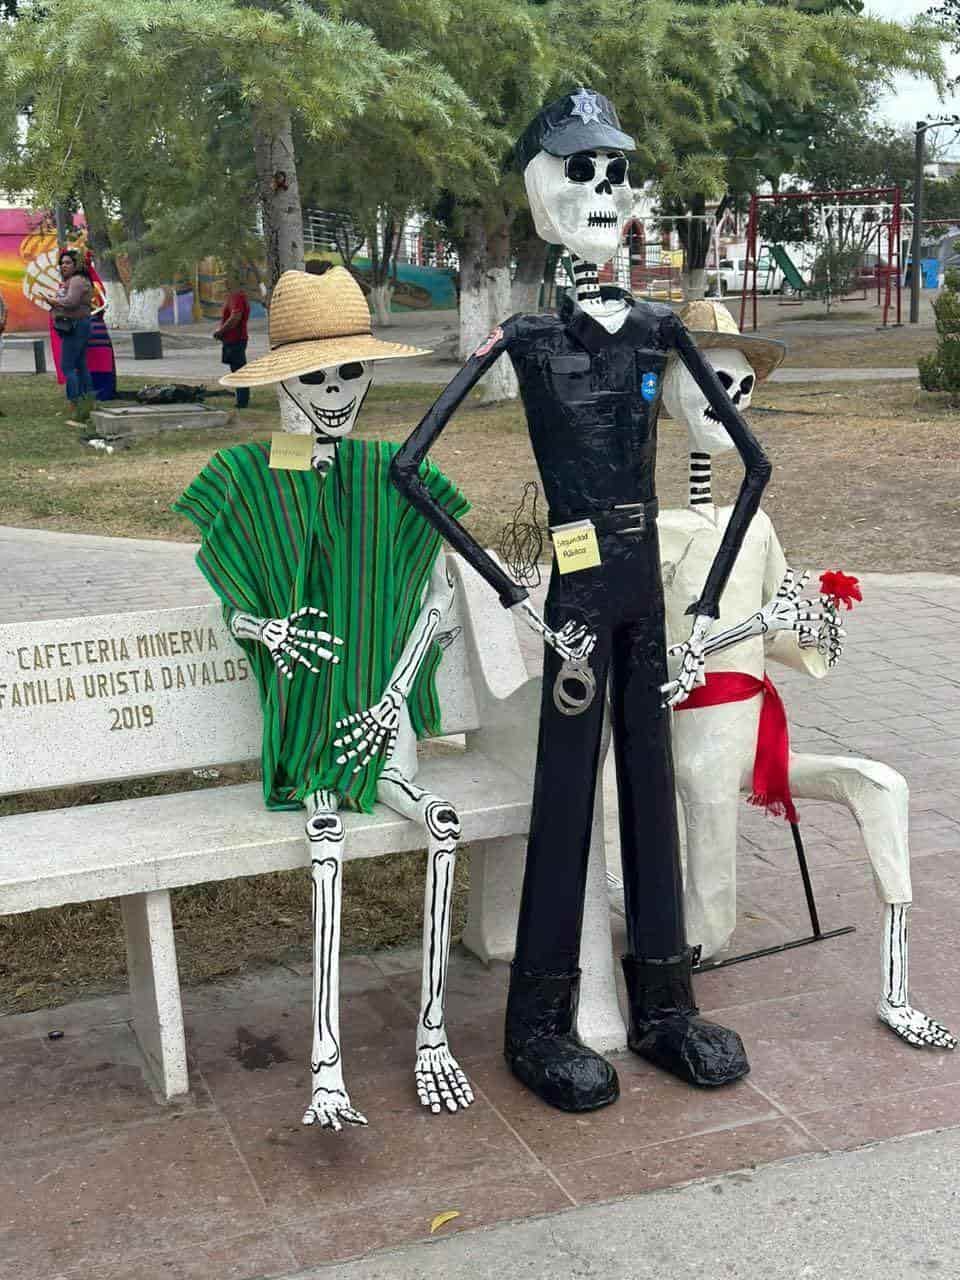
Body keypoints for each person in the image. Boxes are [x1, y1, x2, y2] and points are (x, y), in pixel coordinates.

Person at [392, 89, 769, 1113]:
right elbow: (411, 468)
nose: (603, 191)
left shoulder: (654, 328)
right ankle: (537, 1023)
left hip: (642, 589)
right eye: (580, 170)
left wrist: (709, 597)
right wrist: (512, 589)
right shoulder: (522, 336)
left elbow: (755, 459)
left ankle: (666, 1005)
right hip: (574, 594)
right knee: (567, 800)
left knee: (649, 790)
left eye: (616, 173)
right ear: (539, 188)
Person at [48, 248, 94, 410]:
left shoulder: (77, 280)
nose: (63, 266)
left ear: (77, 264)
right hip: (78, 324)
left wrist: (55, 302)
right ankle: (87, 399)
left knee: (67, 366)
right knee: (80, 364)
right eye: (61, 263)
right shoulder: (74, 280)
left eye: (68, 262)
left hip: (76, 325)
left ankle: (74, 402)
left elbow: (71, 301)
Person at [214, 278, 251, 408]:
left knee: (239, 371)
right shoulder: (233, 296)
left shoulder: (237, 297)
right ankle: (241, 398)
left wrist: (220, 331)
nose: (224, 283)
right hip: (231, 339)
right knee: (236, 370)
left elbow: (235, 317)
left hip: (236, 339)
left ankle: (242, 401)